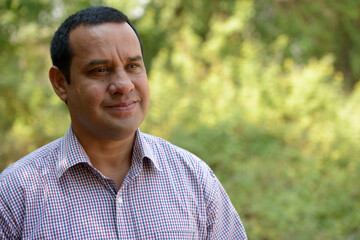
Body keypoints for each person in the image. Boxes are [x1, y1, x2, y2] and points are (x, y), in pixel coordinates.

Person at [0, 6, 247, 239]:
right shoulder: (15, 193)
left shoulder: (195, 178)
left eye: (132, 66)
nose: (124, 85)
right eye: (100, 70)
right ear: (61, 83)